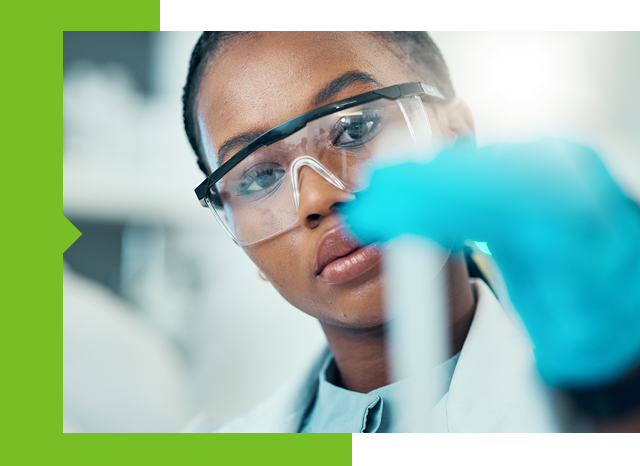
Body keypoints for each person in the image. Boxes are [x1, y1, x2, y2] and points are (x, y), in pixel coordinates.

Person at [180, 32, 640, 433]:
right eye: (260, 178)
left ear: (455, 137)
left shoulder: (595, 417)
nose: (317, 198)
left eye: (354, 129)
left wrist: (620, 389)